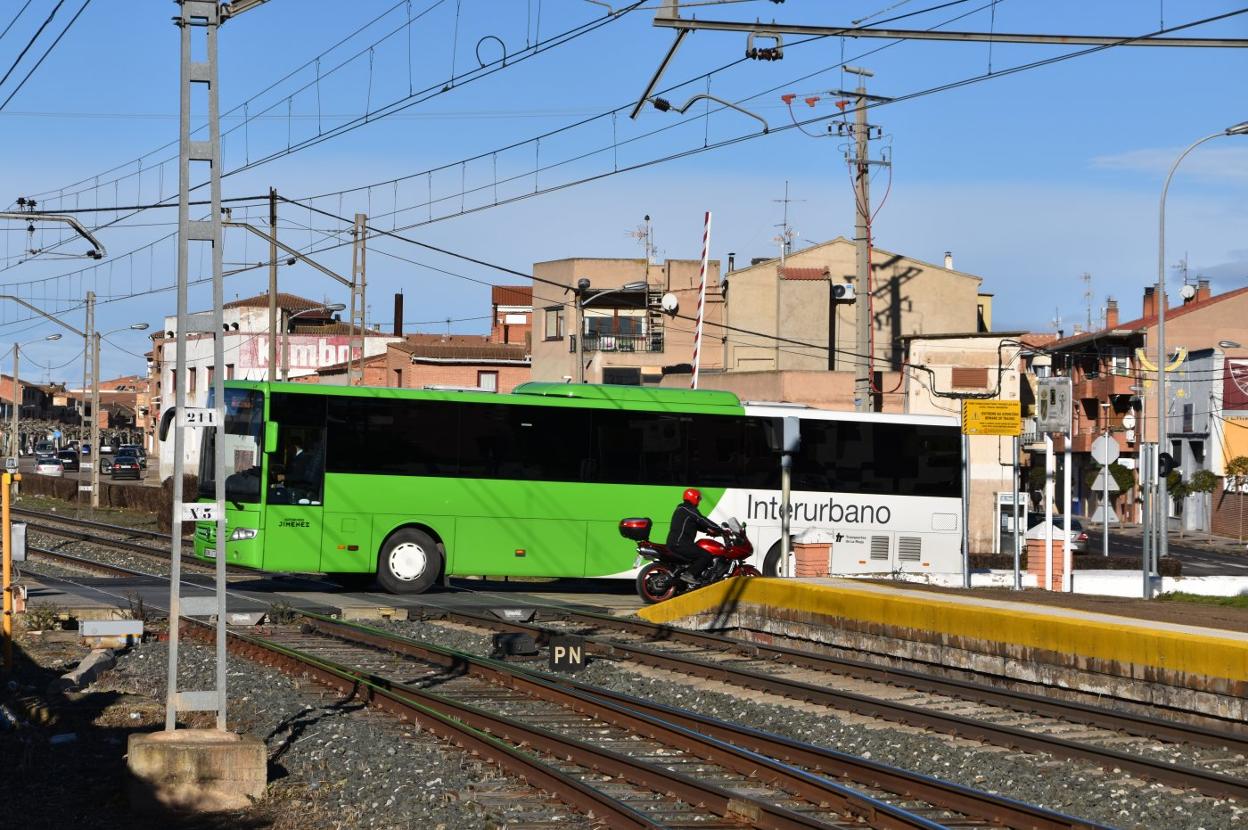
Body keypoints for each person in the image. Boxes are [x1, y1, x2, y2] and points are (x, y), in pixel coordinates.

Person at [666, 487, 722, 583]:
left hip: (675, 543)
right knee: (706, 556)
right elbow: (701, 519)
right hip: (681, 544)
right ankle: (690, 575)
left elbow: (696, 525)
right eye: (698, 499)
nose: (699, 502)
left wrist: (709, 531)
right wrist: (719, 529)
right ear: (694, 497)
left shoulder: (682, 509)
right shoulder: (688, 509)